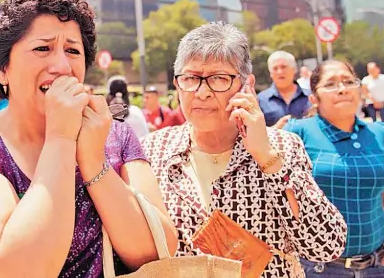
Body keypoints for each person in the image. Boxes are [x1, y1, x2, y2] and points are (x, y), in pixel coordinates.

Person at [0, 0, 178, 278]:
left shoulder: (116, 136)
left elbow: (157, 252)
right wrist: (60, 138)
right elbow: (18, 270)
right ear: (0, 68)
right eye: (42, 48)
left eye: (72, 50)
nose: (61, 66)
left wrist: (94, 163)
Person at [140, 22, 347, 278]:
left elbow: (326, 245)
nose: (202, 92)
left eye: (218, 78)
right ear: (177, 83)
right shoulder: (152, 150)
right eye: (191, 78)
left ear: (246, 84)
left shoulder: (283, 146)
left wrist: (267, 157)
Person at [283, 60, 384, 277]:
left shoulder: (379, 133)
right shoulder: (296, 133)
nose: (342, 89)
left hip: (376, 266)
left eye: (348, 81)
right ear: (313, 98)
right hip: (318, 269)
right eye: (330, 84)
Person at [258, 51, 311, 128]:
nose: (280, 72)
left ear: (294, 69)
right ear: (270, 73)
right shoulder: (261, 100)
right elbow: (256, 133)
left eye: (283, 67)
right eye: (275, 68)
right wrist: (276, 128)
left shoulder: (310, 97)